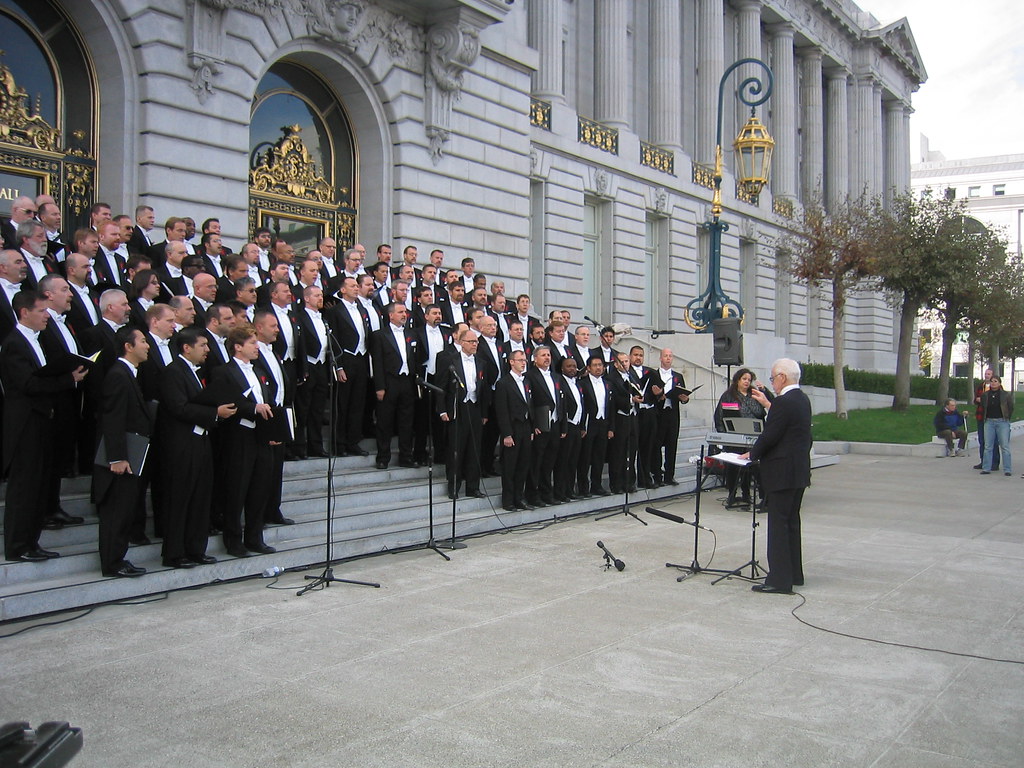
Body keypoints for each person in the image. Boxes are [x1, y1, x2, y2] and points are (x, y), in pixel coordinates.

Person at [2, 290, 88, 562]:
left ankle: (32, 541)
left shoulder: (36, 341)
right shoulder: (15, 343)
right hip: (25, 425)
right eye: (41, 311)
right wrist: (67, 380)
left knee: (38, 486)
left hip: (41, 421)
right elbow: (27, 384)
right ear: (25, 312)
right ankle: (18, 546)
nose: (47, 316)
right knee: (24, 488)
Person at [740, 358, 812, 595]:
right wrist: (769, 404)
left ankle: (780, 580)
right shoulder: (801, 399)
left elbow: (771, 435)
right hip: (798, 471)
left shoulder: (784, 402)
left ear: (782, 377)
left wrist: (752, 454)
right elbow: (789, 424)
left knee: (779, 526)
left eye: (773, 378)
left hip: (781, 472)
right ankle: (794, 573)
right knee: (791, 522)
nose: (772, 382)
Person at [94, 326, 153, 577]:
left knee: (124, 509)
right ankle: (112, 562)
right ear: (128, 346)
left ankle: (118, 558)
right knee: (116, 511)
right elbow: (113, 419)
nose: (147, 345)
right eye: (142, 341)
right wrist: (116, 457)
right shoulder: (119, 374)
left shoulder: (129, 373)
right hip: (120, 459)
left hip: (131, 454)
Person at [713, 367, 771, 506]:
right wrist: (724, 435)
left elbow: (769, 406)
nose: (746, 382)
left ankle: (753, 495)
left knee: (754, 467)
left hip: (754, 436)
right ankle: (732, 494)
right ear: (738, 380)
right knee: (734, 467)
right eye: (744, 379)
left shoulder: (755, 394)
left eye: (749, 380)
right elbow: (719, 415)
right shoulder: (728, 395)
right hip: (735, 436)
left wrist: (764, 391)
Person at [494, 349, 533, 511]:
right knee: (510, 466)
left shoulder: (526, 381)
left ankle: (519, 497)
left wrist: (531, 428)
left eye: (524, 360)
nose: (523, 362)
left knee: (523, 465)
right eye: (520, 360)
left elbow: (530, 405)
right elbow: (501, 411)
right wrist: (507, 434)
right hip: (512, 428)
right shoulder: (503, 383)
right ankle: (508, 500)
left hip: (525, 428)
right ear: (511, 362)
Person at [979, 376, 1013, 476]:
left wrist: (1006, 417)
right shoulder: (985, 395)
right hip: (989, 421)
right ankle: (986, 468)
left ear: (999, 383)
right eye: (992, 381)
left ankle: (1007, 469)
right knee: (988, 446)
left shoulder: (1005, 395)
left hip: (1002, 421)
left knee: (1004, 446)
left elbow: (1010, 407)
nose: (993, 383)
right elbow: (983, 406)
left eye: (995, 381)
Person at [973, 368, 998, 471]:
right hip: (981, 416)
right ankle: (983, 461)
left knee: (993, 441)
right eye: (986, 374)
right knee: (982, 439)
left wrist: (983, 400)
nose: (987, 376)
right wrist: (977, 400)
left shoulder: (996, 387)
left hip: (992, 417)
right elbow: (976, 399)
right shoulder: (981, 386)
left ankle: (994, 463)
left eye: (989, 374)